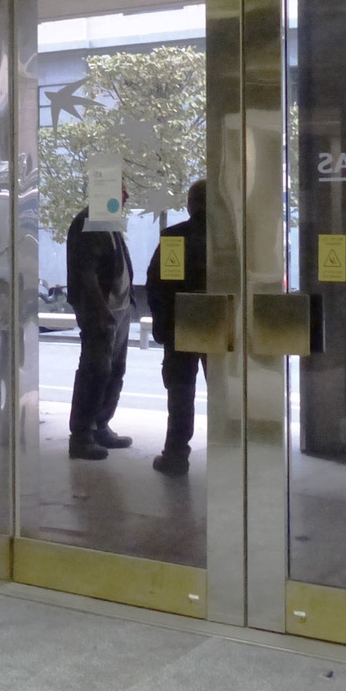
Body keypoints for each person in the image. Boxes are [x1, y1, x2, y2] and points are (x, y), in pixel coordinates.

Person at [65, 191, 135, 460]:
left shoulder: (109, 222)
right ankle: (81, 435)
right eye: (120, 189)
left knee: (115, 370)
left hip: (119, 311)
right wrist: (99, 313)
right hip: (100, 313)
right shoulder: (88, 222)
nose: (127, 196)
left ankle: (100, 426)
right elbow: (85, 274)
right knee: (94, 371)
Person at [145, 179, 207, 475]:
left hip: (181, 324)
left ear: (190, 205)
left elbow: (157, 285)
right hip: (221, 324)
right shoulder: (230, 237)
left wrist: (162, 326)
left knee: (181, 392)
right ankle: (234, 453)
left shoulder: (174, 237)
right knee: (225, 391)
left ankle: (176, 455)